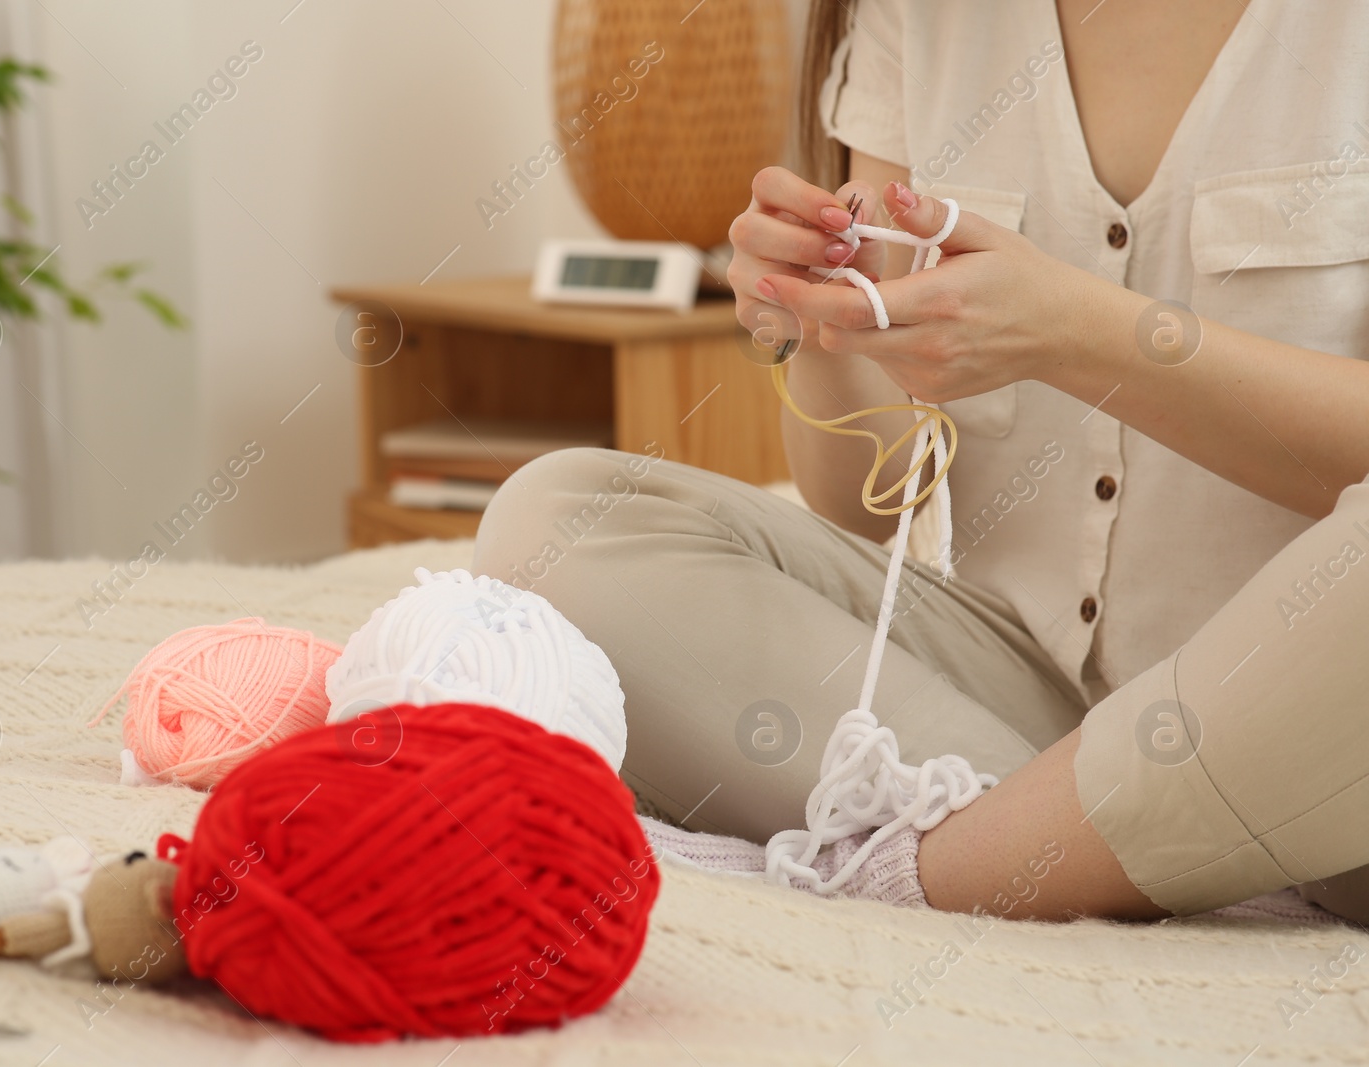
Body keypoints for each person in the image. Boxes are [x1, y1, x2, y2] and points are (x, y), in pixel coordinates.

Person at [476, 0, 1369, 922]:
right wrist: (824, 320)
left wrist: (1079, 335)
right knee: (555, 522)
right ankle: (1100, 852)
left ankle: (949, 868)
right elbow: (874, 506)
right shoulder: (920, 15)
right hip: (1014, 708)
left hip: (1327, 735)